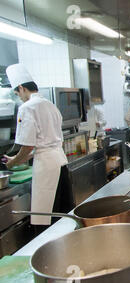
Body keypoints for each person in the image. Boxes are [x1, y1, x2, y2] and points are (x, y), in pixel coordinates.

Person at [4, 64, 68, 225]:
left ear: (21, 88)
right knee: (60, 213)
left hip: (46, 167)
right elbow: (45, 143)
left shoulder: (27, 108)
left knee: (45, 216)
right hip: (60, 161)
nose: (19, 97)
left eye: (18, 93)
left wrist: (13, 162)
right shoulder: (50, 105)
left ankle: (47, 247)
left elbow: (27, 146)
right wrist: (20, 157)